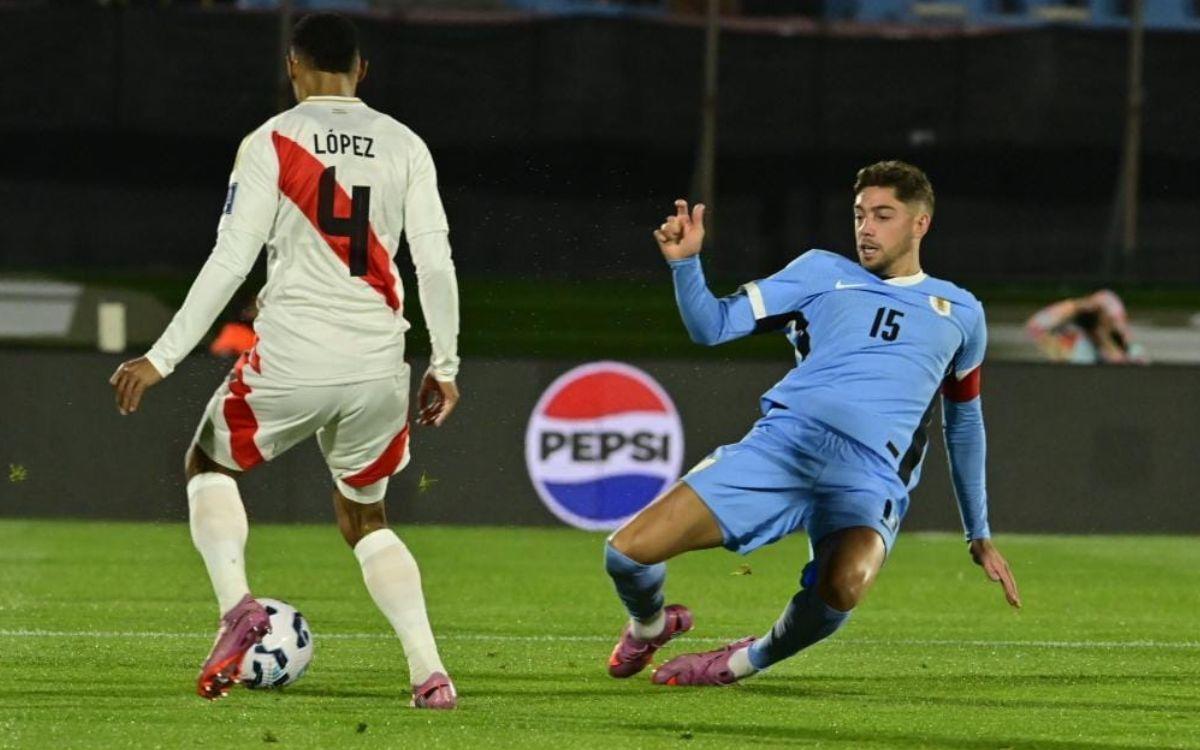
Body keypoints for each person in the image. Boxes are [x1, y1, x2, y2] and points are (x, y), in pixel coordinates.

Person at [107, 13, 461, 709]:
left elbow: (231, 258)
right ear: (363, 71)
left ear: (292, 68)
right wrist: (445, 364)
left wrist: (162, 356)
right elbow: (436, 260)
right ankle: (429, 673)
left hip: (294, 355)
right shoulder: (406, 145)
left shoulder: (271, 141)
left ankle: (238, 606)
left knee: (207, 464)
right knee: (367, 515)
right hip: (378, 364)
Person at [604, 161, 1020, 687]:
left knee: (846, 584)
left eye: (883, 215)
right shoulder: (820, 273)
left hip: (870, 478)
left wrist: (977, 532)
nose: (866, 228)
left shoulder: (961, 313)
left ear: (920, 224)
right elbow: (711, 328)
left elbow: (964, 424)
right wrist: (686, 265)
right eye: (859, 214)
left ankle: (737, 663)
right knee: (625, 554)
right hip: (784, 447)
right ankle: (651, 625)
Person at [1025, 289, 1146, 364]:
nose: (1111, 321)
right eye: (1104, 316)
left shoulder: (1130, 349)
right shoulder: (1074, 344)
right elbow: (1034, 327)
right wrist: (1076, 306)